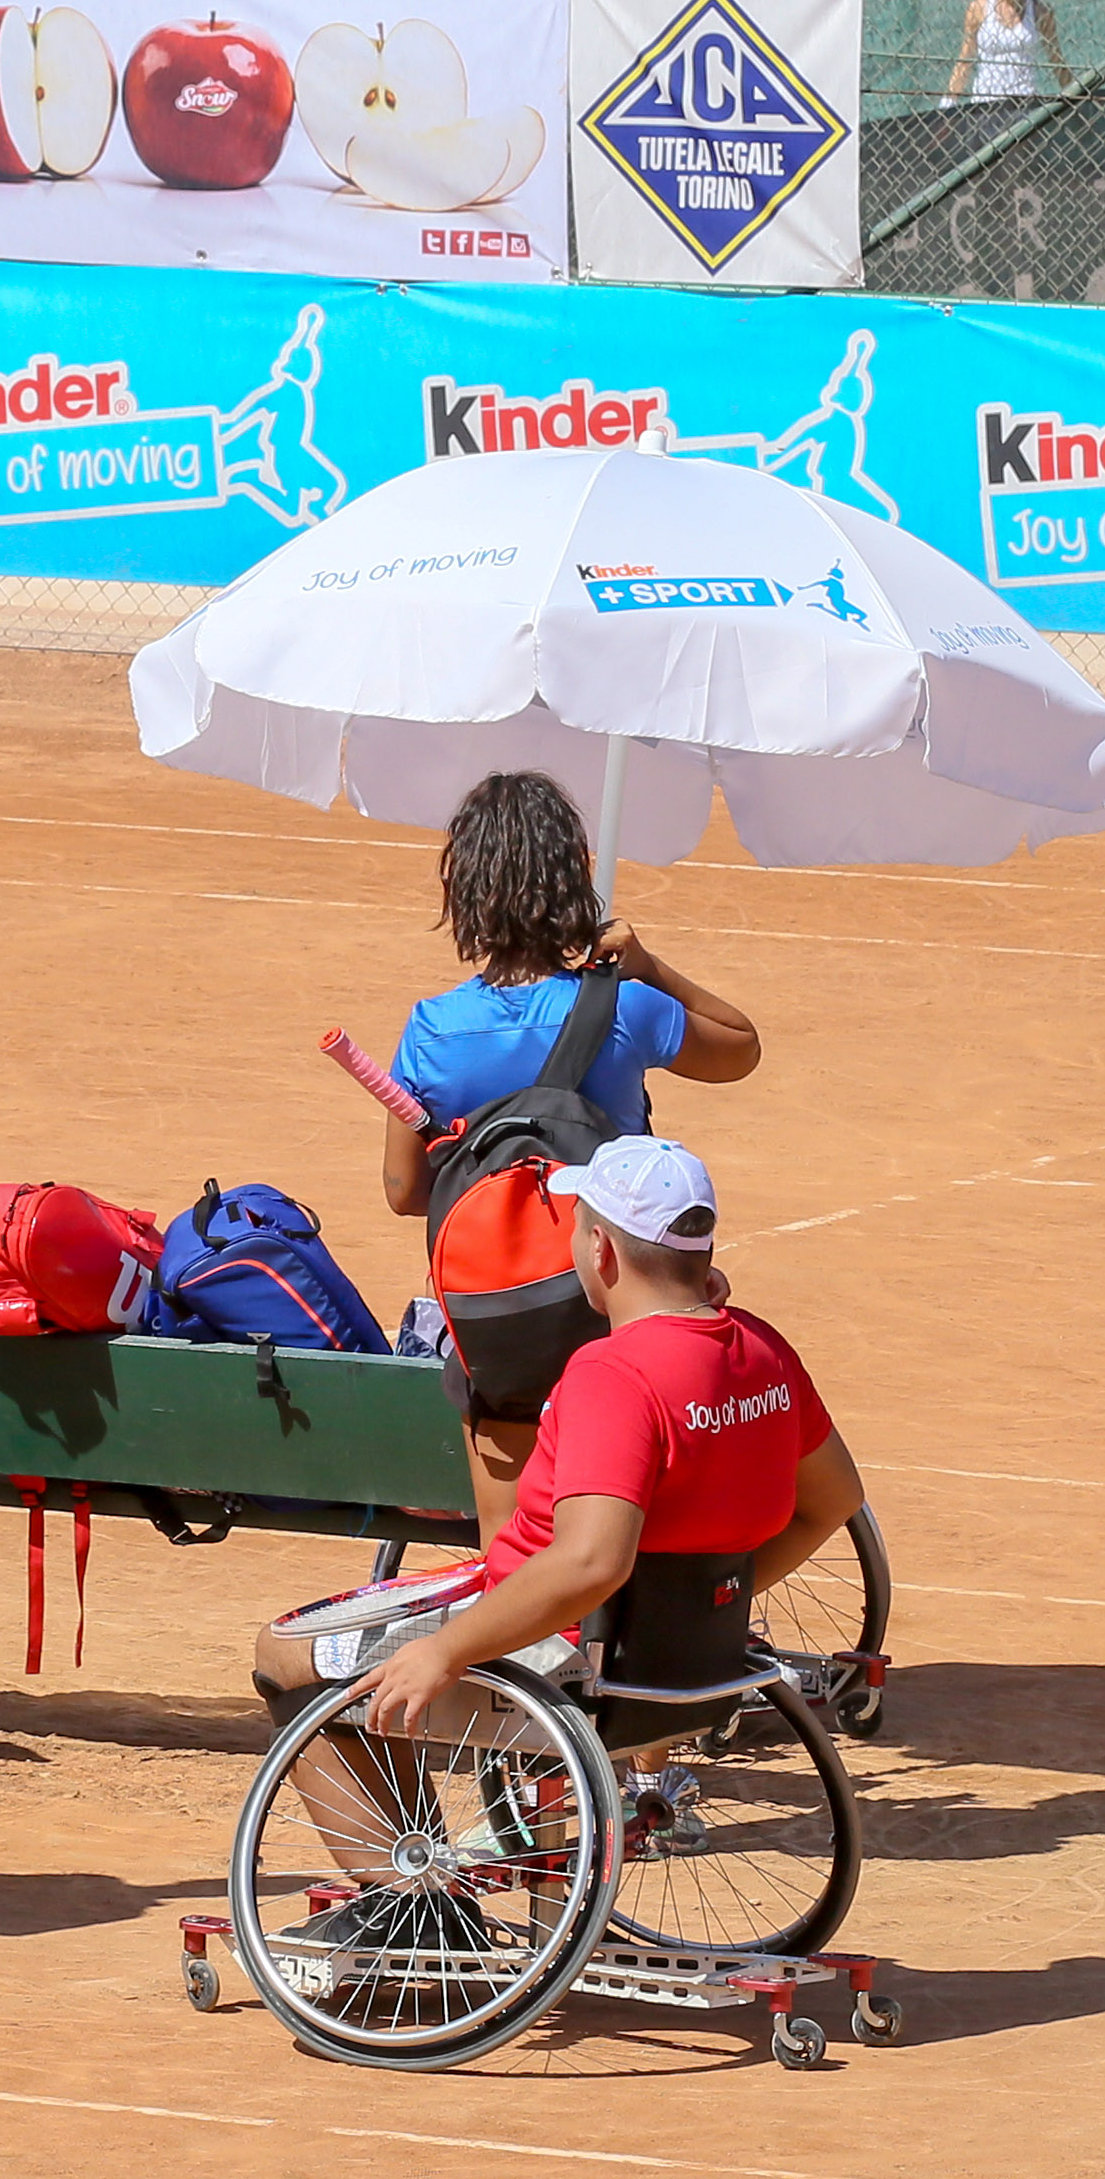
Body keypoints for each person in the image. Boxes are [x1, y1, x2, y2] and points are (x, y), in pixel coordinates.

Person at [251, 1138, 868, 1886]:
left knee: (287, 1655)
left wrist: (443, 1653)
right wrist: (696, 1608)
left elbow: (589, 1561)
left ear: (601, 1249)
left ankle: (415, 1910)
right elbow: (832, 1499)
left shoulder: (613, 1375)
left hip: (564, 1660)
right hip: (676, 1662)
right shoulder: (762, 1351)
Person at [382, 770, 761, 1538]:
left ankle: (517, 1640)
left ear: (467, 891)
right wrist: (648, 966)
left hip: (499, 1306)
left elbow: (403, 1191)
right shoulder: (624, 1005)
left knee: (509, 1540)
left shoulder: (431, 1030)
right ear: (575, 875)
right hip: (618, 1293)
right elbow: (739, 1049)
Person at [946, 0, 1069, 104]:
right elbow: (965, 61)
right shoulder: (978, 9)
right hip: (984, 103)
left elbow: (1056, 60)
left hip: (1025, 103)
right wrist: (947, 103)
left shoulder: (1041, 12)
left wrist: (1075, 96)